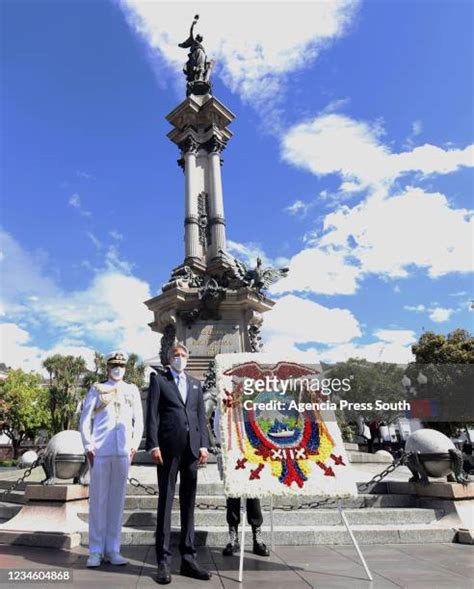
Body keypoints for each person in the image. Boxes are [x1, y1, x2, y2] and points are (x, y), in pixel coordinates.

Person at [145, 342, 211, 585]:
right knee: (165, 502)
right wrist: (153, 444)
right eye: (176, 355)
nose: (180, 358)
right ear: (168, 357)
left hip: (192, 450)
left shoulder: (195, 384)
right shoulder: (159, 381)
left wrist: (204, 445)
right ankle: (163, 560)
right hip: (167, 450)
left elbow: (200, 417)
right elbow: (152, 414)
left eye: (183, 355)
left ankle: (188, 558)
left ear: (188, 358)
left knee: (189, 504)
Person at [79, 351, 143, 568]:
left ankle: (113, 549)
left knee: (117, 502)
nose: (118, 369)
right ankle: (95, 551)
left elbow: (139, 421)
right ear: (107, 367)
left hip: (122, 451)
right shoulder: (97, 389)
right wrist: (89, 446)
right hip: (101, 451)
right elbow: (85, 419)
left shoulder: (132, 390)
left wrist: (134, 446)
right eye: (114, 365)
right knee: (98, 502)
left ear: (126, 368)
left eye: (121, 365)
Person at [213, 398, 270, 557]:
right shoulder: (224, 398)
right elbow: (218, 425)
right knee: (233, 497)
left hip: (253, 452)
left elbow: (264, 421)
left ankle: (257, 538)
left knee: (253, 495)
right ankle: (233, 538)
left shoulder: (255, 398)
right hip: (233, 453)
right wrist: (227, 443)